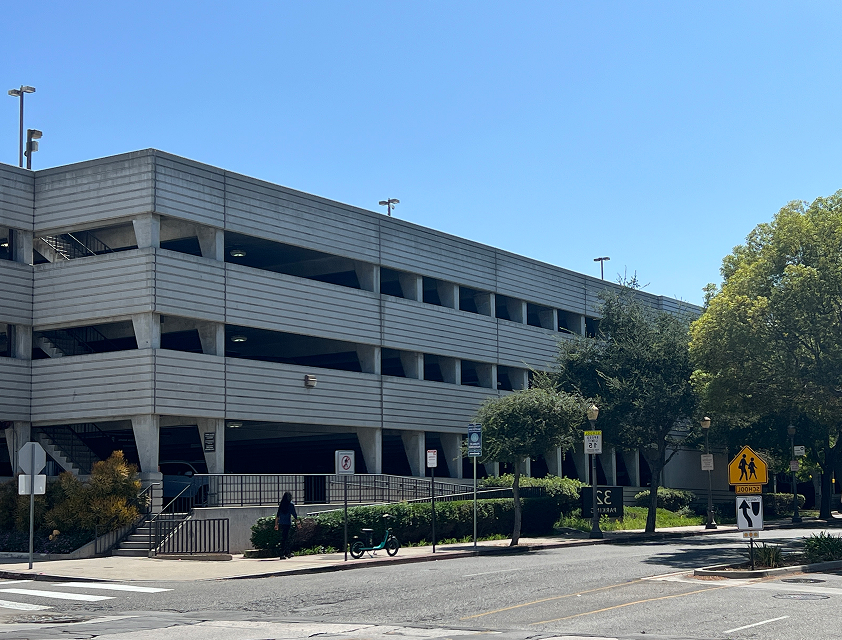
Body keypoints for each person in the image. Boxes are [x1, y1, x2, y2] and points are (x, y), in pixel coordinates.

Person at [274, 492, 299, 559]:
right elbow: (295, 515)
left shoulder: (281, 505)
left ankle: (286, 553)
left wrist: (276, 524)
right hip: (287, 523)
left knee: (283, 538)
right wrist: (298, 523)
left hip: (281, 523)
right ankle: (285, 553)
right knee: (287, 538)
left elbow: (277, 515)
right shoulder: (290, 505)